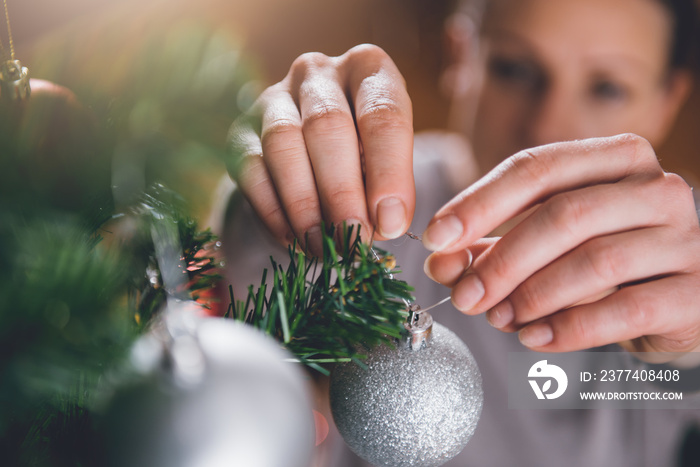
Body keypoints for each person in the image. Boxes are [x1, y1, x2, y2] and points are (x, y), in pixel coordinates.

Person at [220, 0, 700, 465]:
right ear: (461, 54)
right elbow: (248, 292)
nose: (547, 126)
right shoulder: (367, 192)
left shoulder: (682, 251)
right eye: (514, 69)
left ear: (667, 102)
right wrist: (275, 189)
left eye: (608, 88)